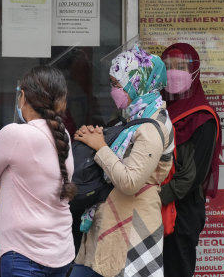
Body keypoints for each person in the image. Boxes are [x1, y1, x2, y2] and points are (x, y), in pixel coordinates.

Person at [69, 46, 174, 277]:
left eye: (117, 84)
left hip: (133, 231)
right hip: (109, 225)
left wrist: (101, 147)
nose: (112, 90)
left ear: (138, 83)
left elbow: (129, 182)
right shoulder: (131, 119)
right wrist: (93, 138)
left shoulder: (151, 127)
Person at [0, 65, 77, 276]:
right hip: (61, 251)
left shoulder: (14, 134)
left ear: (23, 96)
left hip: (24, 253)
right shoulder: (63, 135)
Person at [159, 43, 222, 277]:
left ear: (194, 71)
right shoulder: (158, 110)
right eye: (167, 67)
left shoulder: (202, 118)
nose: (173, 72)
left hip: (181, 211)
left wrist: (155, 198)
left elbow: (193, 176)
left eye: (181, 66)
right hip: (154, 209)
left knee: (177, 269)